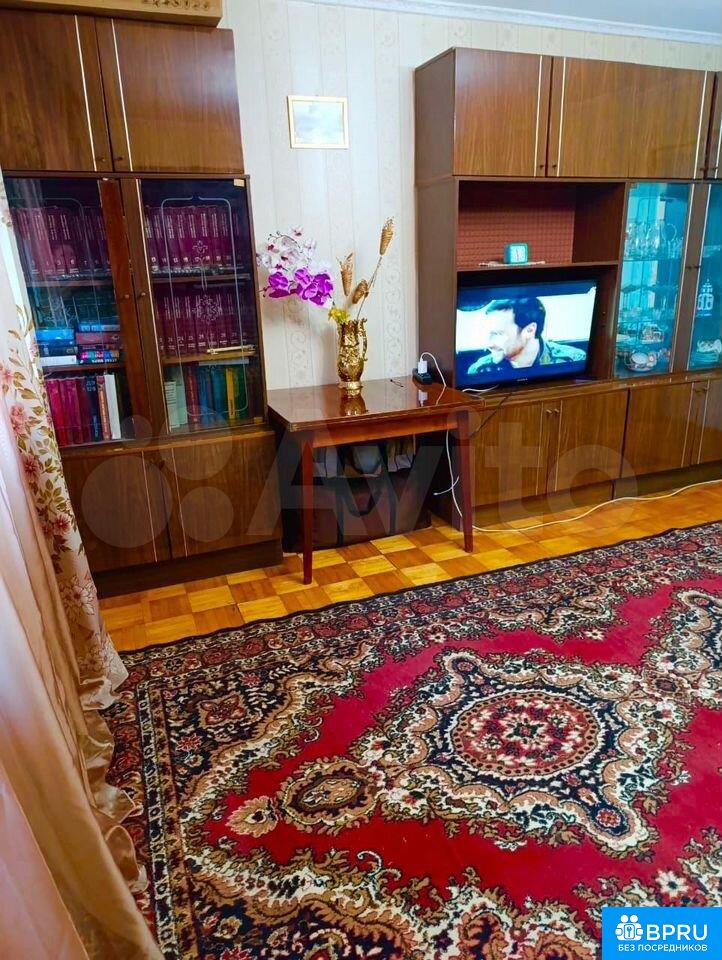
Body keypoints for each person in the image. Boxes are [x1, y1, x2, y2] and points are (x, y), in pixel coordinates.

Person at [467, 297, 586, 376]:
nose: (489, 344)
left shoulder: (574, 359)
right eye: (489, 334)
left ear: (530, 330)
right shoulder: (479, 370)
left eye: (498, 334)